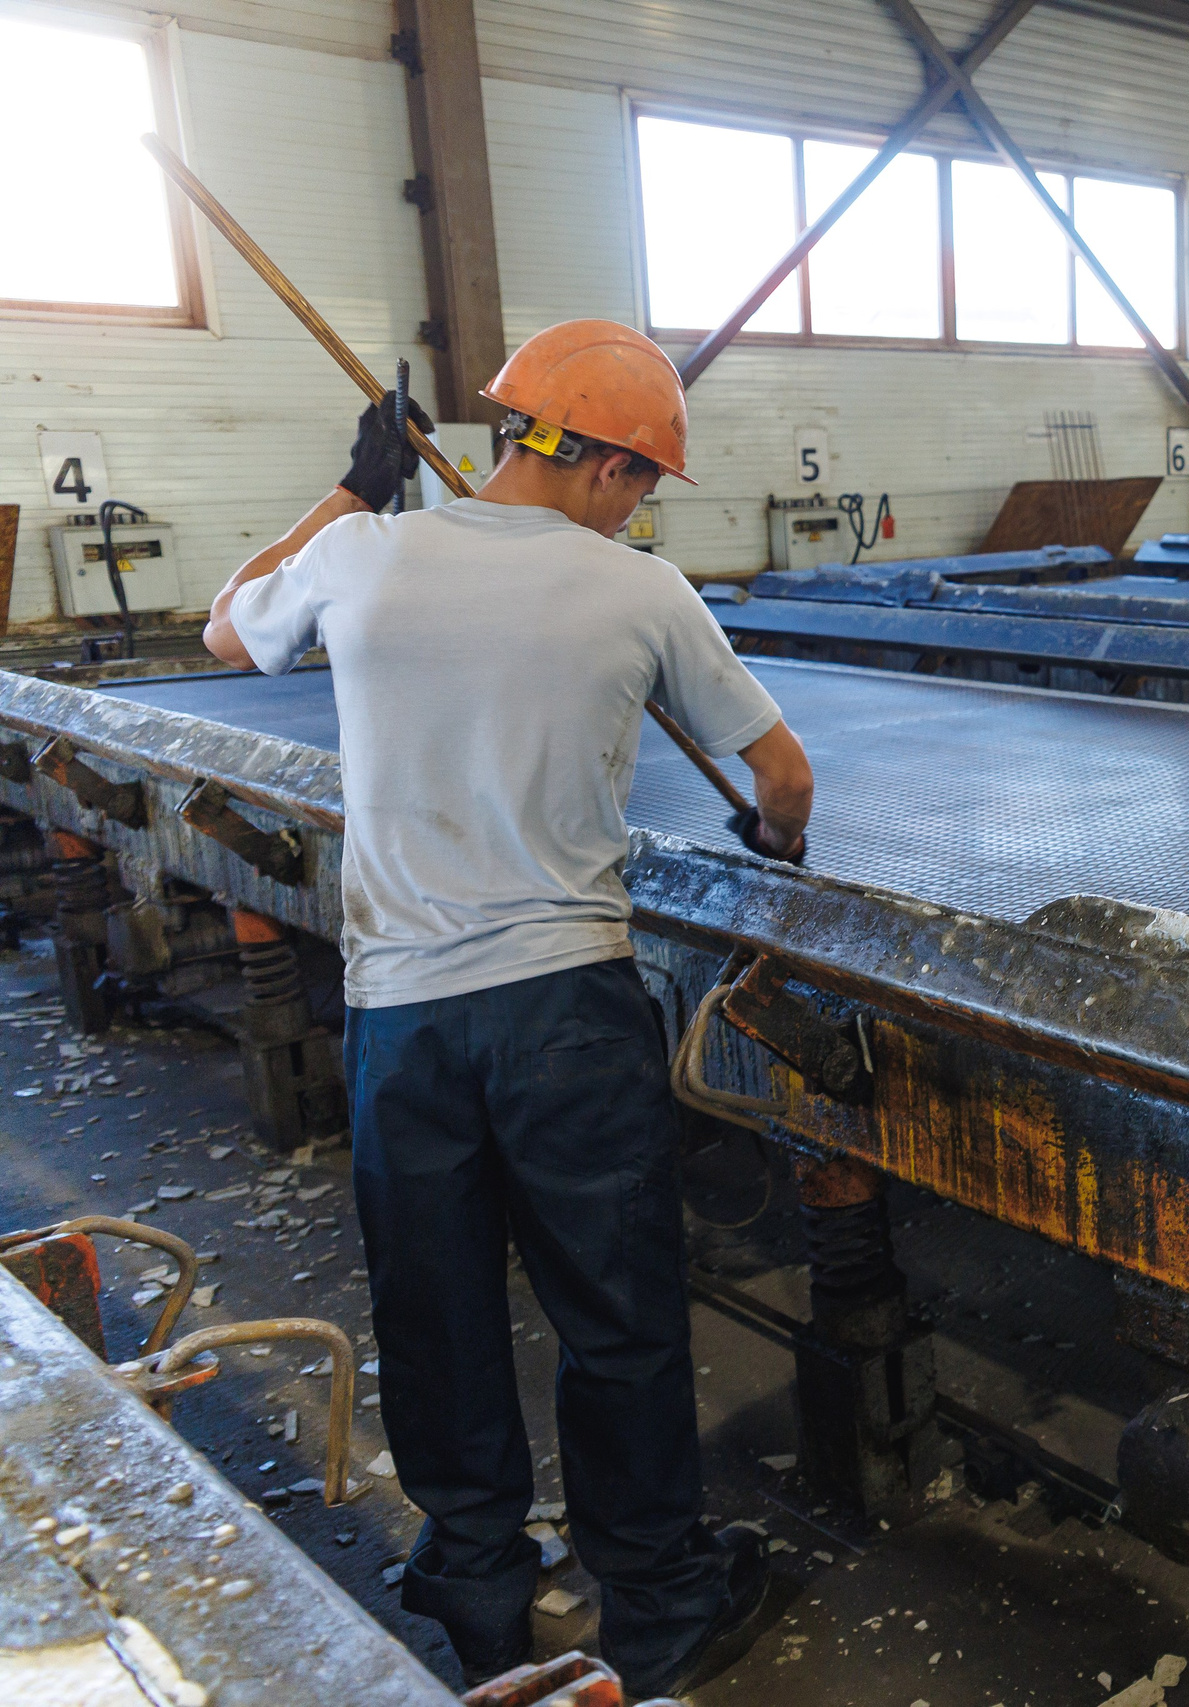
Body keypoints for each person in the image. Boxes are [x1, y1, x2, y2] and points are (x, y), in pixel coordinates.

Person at [202, 321, 814, 1696]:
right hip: (566, 1016)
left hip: (402, 1016)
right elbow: (784, 778)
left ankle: (479, 1594)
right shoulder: (640, 589)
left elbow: (226, 621)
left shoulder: (361, 555)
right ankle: (657, 1602)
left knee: (436, 1313)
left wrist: (351, 490)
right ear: (606, 465)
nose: (637, 510)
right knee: (616, 1314)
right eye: (642, 484)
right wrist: (776, 846)